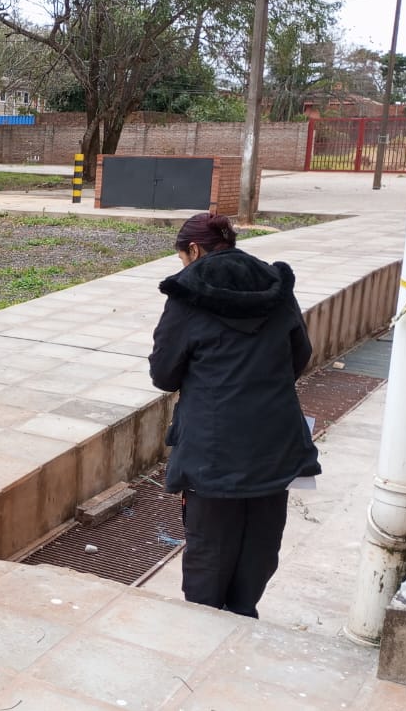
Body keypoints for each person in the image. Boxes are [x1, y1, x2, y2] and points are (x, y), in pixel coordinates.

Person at [149, 212, 320, 618]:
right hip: (275, 438)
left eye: (182, 257)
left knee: (210, 546)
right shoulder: (275, 286)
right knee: (260, 542)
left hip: (213, 444)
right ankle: (244, 614)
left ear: (193, 249)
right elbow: (301, 355)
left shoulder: (188, 293)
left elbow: (164, 373)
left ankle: (206, 629)